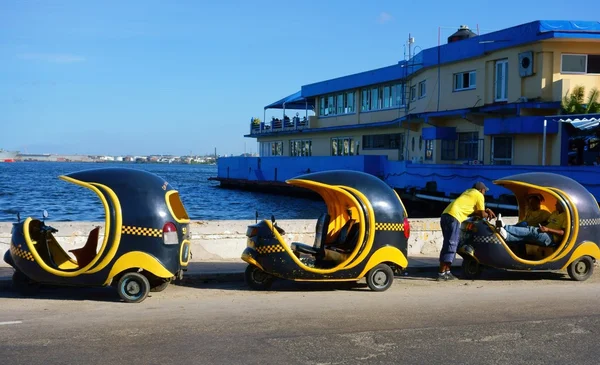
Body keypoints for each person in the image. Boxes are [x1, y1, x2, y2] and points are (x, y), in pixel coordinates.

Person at [438, 182, 496, 281]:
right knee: (451, 244)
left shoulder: (468, 192)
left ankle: (446, 272)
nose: (485, 193)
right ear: (481, 190)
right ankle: (442, 273)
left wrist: (487, 209)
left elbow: (474, 210)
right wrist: (489, 214)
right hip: (454, 217)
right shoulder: (479, 195)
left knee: (448, 244)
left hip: (445, 215)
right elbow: (481, 214)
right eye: (485, 191)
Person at [496, 201, 566, 247]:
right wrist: (541, 225)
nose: (555, 204)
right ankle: (507, 236)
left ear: (562, 205)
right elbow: (548, 222)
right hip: (545, 232)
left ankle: (505, 226)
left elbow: (562, 232)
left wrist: (548, 229)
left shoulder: (565, 216)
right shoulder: (555, 213)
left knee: (532, 230)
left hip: (551, 238)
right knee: (526, 235)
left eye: (557, 204)